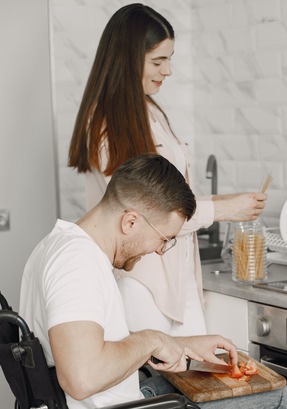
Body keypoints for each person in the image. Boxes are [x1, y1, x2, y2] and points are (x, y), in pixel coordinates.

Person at [19, 154, 287, 409]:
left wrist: (179, 343)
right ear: (131, 222)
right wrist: (151, 340)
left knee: (201, 382)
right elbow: (82, 378)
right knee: (280, 402)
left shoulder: (58, 246)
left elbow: (91, 349)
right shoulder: (77, 265)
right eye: (164, 239)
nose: (158, 250)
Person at [68, 3, 267, 336]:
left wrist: (223, 200)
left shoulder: (151, 112)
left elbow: (169, 194)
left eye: (169, 59)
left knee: (192, 379)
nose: (168, 70)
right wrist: (222, 209)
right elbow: (148, 210)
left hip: (178, 278)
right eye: (158, 61)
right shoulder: (106, 124)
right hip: (142, 281)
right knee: (167, 382)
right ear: (127, 59)